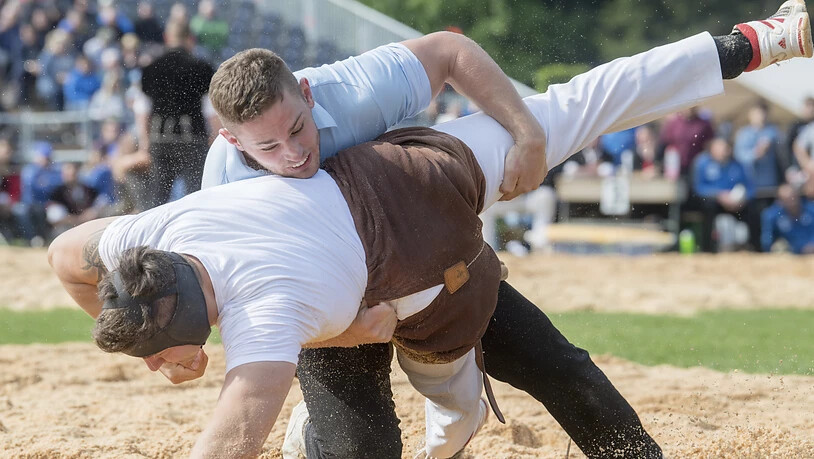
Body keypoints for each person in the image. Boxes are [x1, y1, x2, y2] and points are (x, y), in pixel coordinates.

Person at [48, 4, 814, 458]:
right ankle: (366, 418)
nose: (292, 155)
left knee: (559, 365)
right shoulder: (221, 194)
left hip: (422, 223)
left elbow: (472, 59)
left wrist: (526, 131)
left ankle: (760, 39)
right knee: (365, 441)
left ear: (308, 94)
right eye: (266, 148)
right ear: (233, 141)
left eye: (296, 131)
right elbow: (282, 343)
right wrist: (157, 337)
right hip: (343, 302)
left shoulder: (351, 96)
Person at [140, 20, 214, 207]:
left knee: (156, 199)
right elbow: (211, 110)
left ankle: (152, 235)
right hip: (193, 139)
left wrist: (144, 143)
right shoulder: (201, 68)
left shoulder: (151, 68)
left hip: (160, 138)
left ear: (166, 38)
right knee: (195, 197)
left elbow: (142, 110)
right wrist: (214, 139)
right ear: (191, 39)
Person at [692, 137, 759, 252]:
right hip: (714, 202)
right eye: (721, 148)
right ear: (712, 149)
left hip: (737, 204)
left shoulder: (738, 165)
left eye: (726, 148)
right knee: (708, 208)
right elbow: (698, 188)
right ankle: (708, 249)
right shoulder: (702, 163)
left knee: (754, 211)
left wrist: (742, 200)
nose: (725, 151)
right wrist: (719, 195)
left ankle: (754, 247)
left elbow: (751, 188)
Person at [760, 183, 814, 253]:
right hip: (787, 255)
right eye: (787, 200)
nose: (792, 202)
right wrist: (774, 247)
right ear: (779, 201)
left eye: (793, 198)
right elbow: (767, 239)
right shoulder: (772, 216)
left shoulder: (811, 211)